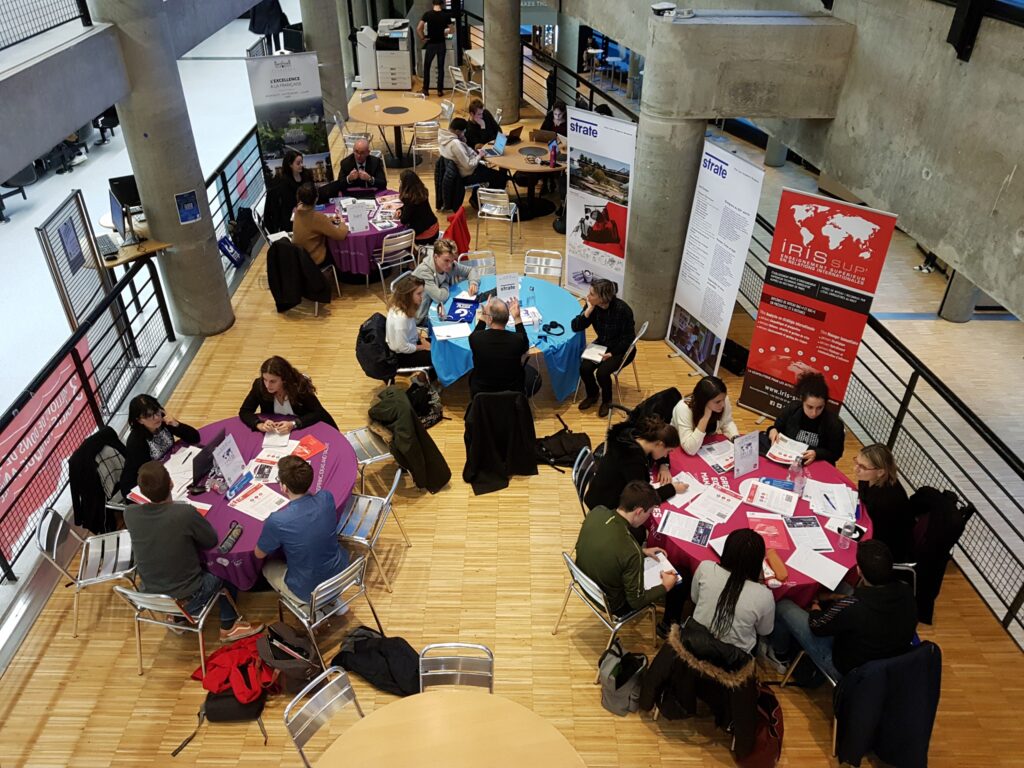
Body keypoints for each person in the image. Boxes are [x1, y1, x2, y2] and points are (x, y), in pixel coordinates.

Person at [124, 462, 262, 641]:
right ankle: (229, 625)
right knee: (225, 567)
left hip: (151, 596)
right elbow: (210, 540)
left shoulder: (130, 513)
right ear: (171, 483)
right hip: (189, 594)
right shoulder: (184, 513)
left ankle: (177, 618)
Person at [767, 540, 918, 681]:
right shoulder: (905, 589)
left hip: (848, 669)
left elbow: (817, 625)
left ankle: (780, 654)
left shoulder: (853, 606)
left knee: (783, 605)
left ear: (859, 570)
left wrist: (814, 604)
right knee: (842, 587)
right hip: (888, 660)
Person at [575, 481, 689, 638]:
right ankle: (666, 628)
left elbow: (611, 549)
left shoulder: (598, 511)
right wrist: (665, 586)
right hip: (612, 603)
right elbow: (636, 601)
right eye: (649, 513)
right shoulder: (631, 551)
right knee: (681, 578)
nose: (648, 517)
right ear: (639, 511)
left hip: (584, 582)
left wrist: (642, 552)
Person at [254, 455, 348, 605]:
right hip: (342, 572)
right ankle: (333, 601)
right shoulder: (326, 497)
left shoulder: (278, 521)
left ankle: (306, 608)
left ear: (284, 487)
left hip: (309, 589)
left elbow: (259, 554)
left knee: (267, 566)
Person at [691, 529, 775, 653]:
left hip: (694, 644)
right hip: (733, 660)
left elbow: (694, 598)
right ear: (758, 562)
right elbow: (764, 630)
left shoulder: (705, 568)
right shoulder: (764, 595)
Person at [584, 415, 689, 511]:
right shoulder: (632, 461)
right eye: (668, 451)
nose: (666, 456)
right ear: (660, 444)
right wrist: (672, 489)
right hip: (605, 506)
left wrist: (663, 464)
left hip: (598, 491)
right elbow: (643, 497)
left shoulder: (634, 437)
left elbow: (660, 449)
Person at [571, 278, 636, 417]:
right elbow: (575, 327)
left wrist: (612, 353)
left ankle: (607, 401)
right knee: (585, 368)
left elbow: (628, 339)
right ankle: (593, 394)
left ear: (603, 298)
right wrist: (587, 311)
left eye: (592, 294)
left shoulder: (623, 310)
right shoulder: (592, 306)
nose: (588, 296)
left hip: (621, 349)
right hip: (602, 344)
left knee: (602, 373)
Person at [120, 394, 201, 498]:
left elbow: (195, 438)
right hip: (142, 485)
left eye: (157, 411)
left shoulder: (163, 421)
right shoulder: (136, 442)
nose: (156, 417)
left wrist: (176, 424)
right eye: (149, 416)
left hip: (169, 468)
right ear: (139, 420)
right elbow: (147, 473)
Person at [239, 356, 337, 433]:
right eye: (265, 379)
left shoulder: (299, 386)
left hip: (305, 429)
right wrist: (259, 424)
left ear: (284, 379)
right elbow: (245, 411)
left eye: (273, 381)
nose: (267, 385)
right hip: (278, 433)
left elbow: (318, 412)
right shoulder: (259, 385)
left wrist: (294, 424)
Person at [767, 371, 845, 465]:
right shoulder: (792, 409)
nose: (814, 413)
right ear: (802, 400)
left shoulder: (834, 423)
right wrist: (772, 430)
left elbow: (836, 453)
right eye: (810, 407)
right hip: (788, 459)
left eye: (820, 407)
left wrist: (817, 454)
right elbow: (776, 428)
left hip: (816, 464)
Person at [468, 297, 540, 398]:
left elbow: (475, 333)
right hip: (512, 392)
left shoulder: (476, 339)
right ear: (507, 318)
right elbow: (525, 343)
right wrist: (517, 317)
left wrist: (483, 316)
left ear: (490, 319)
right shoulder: (517, 340)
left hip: (482, 393)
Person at [856, 444, 914, 562]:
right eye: (856, 462)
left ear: (880, 472)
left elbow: (878, 536)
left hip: (885, 549)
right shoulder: (866, 479)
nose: (855, 469)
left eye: (862, 466)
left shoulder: (887, 500)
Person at [410, 238, 479, 323]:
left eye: (452, 260)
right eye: (446, 260)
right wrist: (445, 283)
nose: (450, 265)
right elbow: (439, 298)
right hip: (420, 318)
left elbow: (471, 271)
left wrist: (473, 283)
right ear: (435, 257)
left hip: (438, 309)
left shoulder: (449, 265)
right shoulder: (424, 272)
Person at [671, 376, 740, 456]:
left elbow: (727, 422)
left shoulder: (721, 399)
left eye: (724, 399)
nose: (723, 404)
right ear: (704, 401)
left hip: (707, 446)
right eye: (717, 402)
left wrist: (735, 438)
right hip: (680, 448)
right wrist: (705, 418)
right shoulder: (683, 409)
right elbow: (690, 449)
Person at [439, 118, 508, 190]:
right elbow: (469, 166)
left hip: (464, 169)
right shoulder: (455, 144)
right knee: (500, 178)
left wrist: (463, 141)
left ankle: (476, 196)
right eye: (464, 131)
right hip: (469, 173)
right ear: (457, 131)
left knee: (495, 174)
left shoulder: (444, 138)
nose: (464, 133)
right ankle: (478, 197)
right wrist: (479, 155)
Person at [290, 182, 349, 266]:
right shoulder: (318, 218)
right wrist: (343, 223)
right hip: (314, 260)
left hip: (298, 258)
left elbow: (313, 225)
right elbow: (340, 235)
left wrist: (329, 220)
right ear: (316, 198)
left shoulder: (297, 212)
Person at [386, 275, 434, 371]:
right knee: (440, 356)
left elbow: (410, 330)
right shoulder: (401, 319)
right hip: (403, 356)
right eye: (419, 294)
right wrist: (423, 346)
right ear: (408, 295)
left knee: (440, 345)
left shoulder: (401, 306)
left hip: (411, 343)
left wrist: (421, 339)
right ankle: (422, 379)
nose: (422, 297)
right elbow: (403, 347)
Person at [270, 149, 312, 231]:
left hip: (308, 209)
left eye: (302, 162)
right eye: (298, 163)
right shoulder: (284, 182)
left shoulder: (306, 174)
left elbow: (312, 190)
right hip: (292, 217)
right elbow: (289, 203)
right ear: (290, 165)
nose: (301, 165)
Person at [417, 0, 452, 96]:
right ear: (441, 4)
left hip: (431, 44)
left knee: (427, 67)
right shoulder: (446, 15)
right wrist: (445, 33)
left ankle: (425, 90)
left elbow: (418, 28)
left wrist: (422, 38)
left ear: (433, 4)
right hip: (441, 44)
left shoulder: (427, 14)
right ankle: (440, 91)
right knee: (441, 68)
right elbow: (452, 30)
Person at [398, 170, 439, 244]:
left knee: (400, 237)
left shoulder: (409, 199)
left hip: (425, 234)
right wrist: (401, 209)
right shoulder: (422, 191)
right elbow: (412, 209)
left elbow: (404, 220)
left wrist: (400, 214)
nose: (399, 182)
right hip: (434, 227)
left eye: (400, 181)